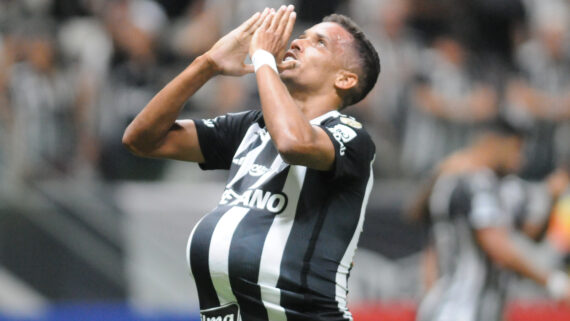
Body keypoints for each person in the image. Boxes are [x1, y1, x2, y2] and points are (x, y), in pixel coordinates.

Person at [122, 5, 380, 321]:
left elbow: (292, 143)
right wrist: (207, 64)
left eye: (319, 43)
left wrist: (263, 60)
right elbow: (141, 140)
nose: (297, 43)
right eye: (301, 36)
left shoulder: (350, 135)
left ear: (345, 78)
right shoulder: (251, 128)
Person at [412, 122, 570, 321]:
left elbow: (525, 232)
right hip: (459, 311)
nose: (520, 158)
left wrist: (550, 195)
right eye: (516, 148)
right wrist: (554, 283)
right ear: (494, 143)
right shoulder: (470, 181)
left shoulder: (495, 186)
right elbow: (497, 245)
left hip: (474, 310)